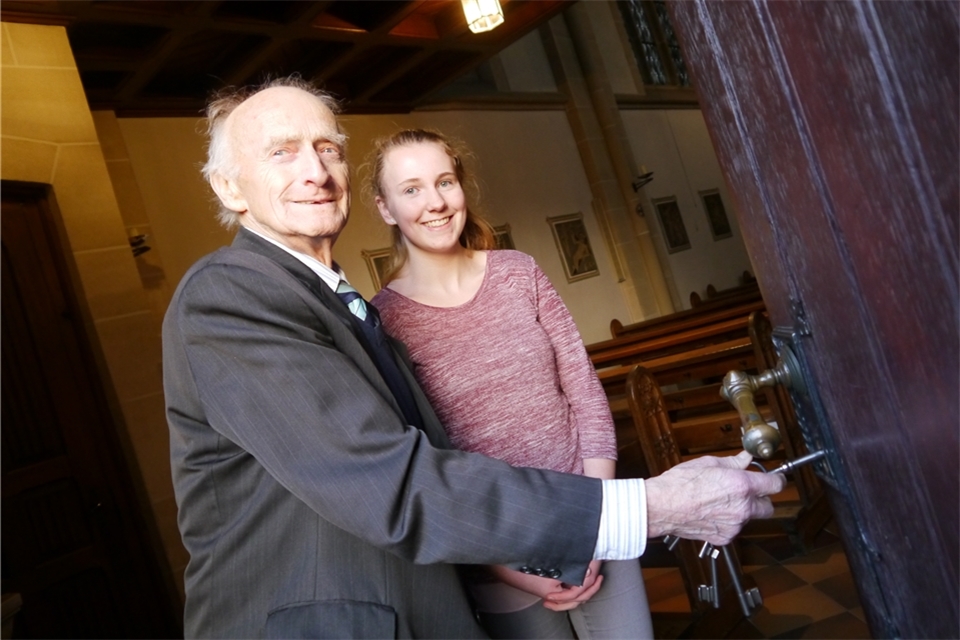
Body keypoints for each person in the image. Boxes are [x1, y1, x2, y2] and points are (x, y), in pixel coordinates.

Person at [162, 76, 785, 639]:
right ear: (228, 186)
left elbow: (489, 429)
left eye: (327, 148)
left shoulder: (343, 301)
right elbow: (398, 484)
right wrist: (653, 506)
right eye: (281, 151)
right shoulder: (229, 295)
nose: (316, 171)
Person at [368, 128, 652, 639]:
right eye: (411, 189)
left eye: (445, 182)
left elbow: (584, 394)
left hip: (590, 518)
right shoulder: (384, 322)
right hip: (497, 552)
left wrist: (597, 520)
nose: (434, 202)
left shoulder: (519, 273)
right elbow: (422, 462)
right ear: (386, 208)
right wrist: (511, 569)